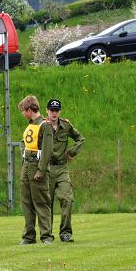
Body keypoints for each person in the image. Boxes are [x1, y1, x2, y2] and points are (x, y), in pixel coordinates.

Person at [45, 99, 85, 242]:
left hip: (62, 168)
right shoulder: (42, 126)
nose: (54, 113)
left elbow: (80, 139)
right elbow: (28, 142)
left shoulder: (66, 126)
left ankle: (65, 233)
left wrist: (72, 152)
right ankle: (47, 235)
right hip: (46, 168)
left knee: (67, 199)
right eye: (51, 110)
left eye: (56, 110)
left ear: (59, 111)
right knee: (46, 203)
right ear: (47, 111)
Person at [18, 95, 54, 244]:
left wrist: (41, 169)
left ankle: (46, 236)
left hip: (37, 165)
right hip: (26, 165)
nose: (22, 114)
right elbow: (23, 143)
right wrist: (24, 156)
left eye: (23, 111)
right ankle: (29, 236)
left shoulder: (45, 125)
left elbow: (47, 149)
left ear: (29, 109)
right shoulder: (30, 125)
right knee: (26, 202)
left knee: (41, 201)